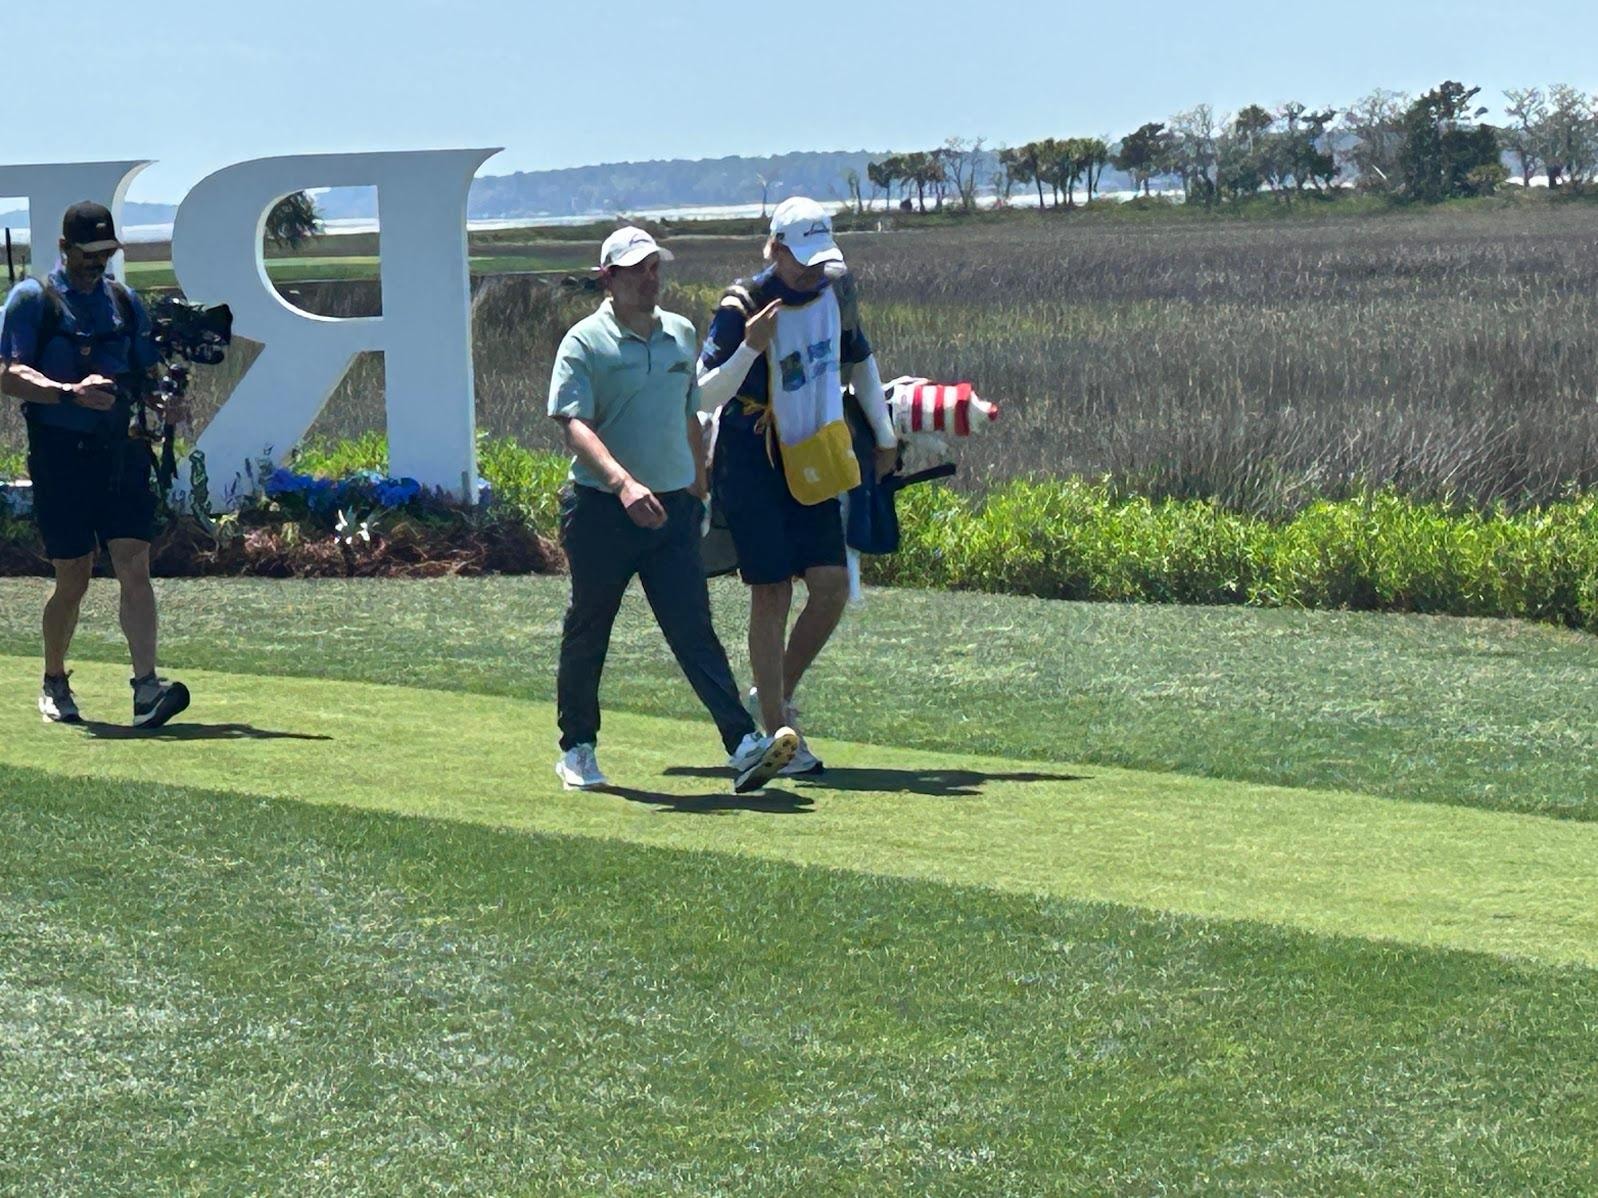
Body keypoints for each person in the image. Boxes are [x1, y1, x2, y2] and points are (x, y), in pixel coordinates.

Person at [547, 226, 798, 794]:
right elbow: (574, 425)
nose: (650, 278)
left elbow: (692, 411)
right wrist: (623, 484)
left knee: (694, 630)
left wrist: (697, 487)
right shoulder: (583, 342)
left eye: (655, 267)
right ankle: (577, 748)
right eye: (637, 269)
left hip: (672, 511)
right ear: (608, 277)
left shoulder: (681, 333)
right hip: (601, 510)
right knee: (589, 627)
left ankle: (742, 744)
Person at [697, 198, 898, 776]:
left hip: (813, 453)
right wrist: (751, 346)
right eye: (802, 261)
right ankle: (777, 732)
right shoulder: (741, 307)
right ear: (776, 250)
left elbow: (859, 361)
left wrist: (885, 437)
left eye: (819, 260)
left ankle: (774, 694)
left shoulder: (837, 292)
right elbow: (704, 393)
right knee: (772, 592)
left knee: (831, 586)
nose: (812, 273)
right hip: (751, 460)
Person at [0, 201, 190, 728]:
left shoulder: (124, 302)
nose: (98, 261)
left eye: (106, 251)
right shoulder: (32, 300)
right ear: (65, 248)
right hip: (60, 456)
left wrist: (164, 401)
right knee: (74, 576)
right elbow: (9, 373)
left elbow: (146, 374)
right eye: (89, 252)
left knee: (134, 563)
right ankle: (54, 679)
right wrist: (69, 392)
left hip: (122, 452)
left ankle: (146, 690)